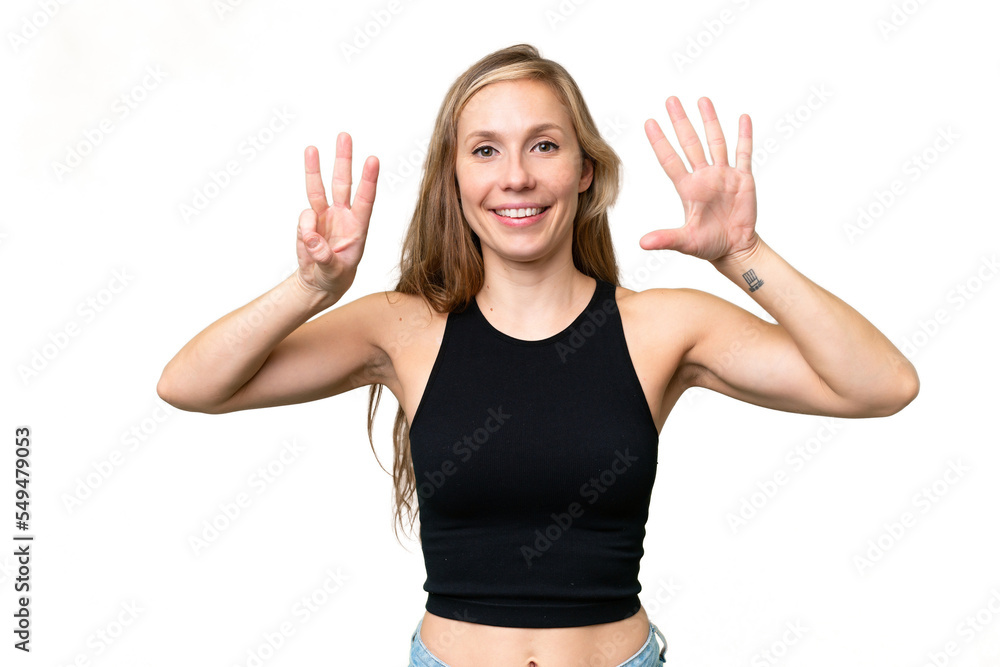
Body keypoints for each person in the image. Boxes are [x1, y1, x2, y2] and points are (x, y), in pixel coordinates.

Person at [157, 44, 919, 667]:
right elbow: (189, 383)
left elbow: (882, 384)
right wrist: (310, 287)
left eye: (544, 145)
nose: (515, 175)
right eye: (485, 150)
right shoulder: (403, 328)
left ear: (584, 171)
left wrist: (744, 254)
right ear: (455, 178)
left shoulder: (660, 327)